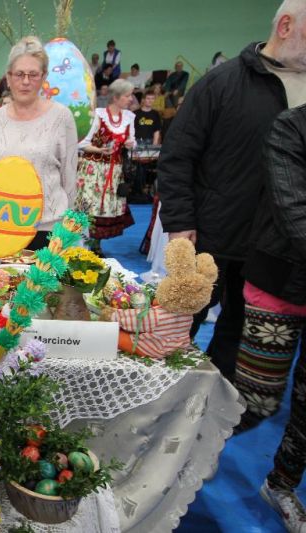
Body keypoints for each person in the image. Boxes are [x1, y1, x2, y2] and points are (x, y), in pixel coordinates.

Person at [158, 0, 306, 382]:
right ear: (286, 26)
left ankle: (214, 407)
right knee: (177, 328)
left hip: (279, 248)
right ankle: (159, 400)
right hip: (212, 236)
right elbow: (177, 155)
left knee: (239, 343)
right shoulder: (221, 83)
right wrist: (179, 222)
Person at [249, 104, 306, 531]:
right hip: (279, 283)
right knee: (257, 401)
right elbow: (294, 211)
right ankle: (191, 459)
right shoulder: (292, 126)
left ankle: (282, 484)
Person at [0, 36, 78, 249]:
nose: (25, 81)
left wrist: (67, 229)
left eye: (33, 74)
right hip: (2, 229)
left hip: (49, 230)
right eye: (19, 74)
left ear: (44, 76)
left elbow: (70, 179)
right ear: (8, 76)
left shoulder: (61, 117)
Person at [76, 79, 137, 252]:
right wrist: (99, 150)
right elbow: (81, 143)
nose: (131, 99)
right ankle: (82, 245)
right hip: (93, 170)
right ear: (116, 97)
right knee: (88, 207)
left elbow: (132, 141)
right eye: (127, 95)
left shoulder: (129, 117)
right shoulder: (98, 115)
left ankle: (96, 246)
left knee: (104, 210)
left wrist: (130, 144)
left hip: (114, 170)